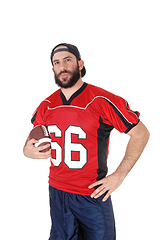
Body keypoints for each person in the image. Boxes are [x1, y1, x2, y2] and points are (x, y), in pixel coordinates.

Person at [23, 43, 150, 240]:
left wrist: (119, 175)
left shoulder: (101, 100)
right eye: (57, 63)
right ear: (53, 69)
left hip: (92, 194)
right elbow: (34, 133)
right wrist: (26, 150)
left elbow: (141, 134)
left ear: (80, 64)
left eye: (67, 60)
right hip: (57, 192)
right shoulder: (47, 104)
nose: (62, 66)